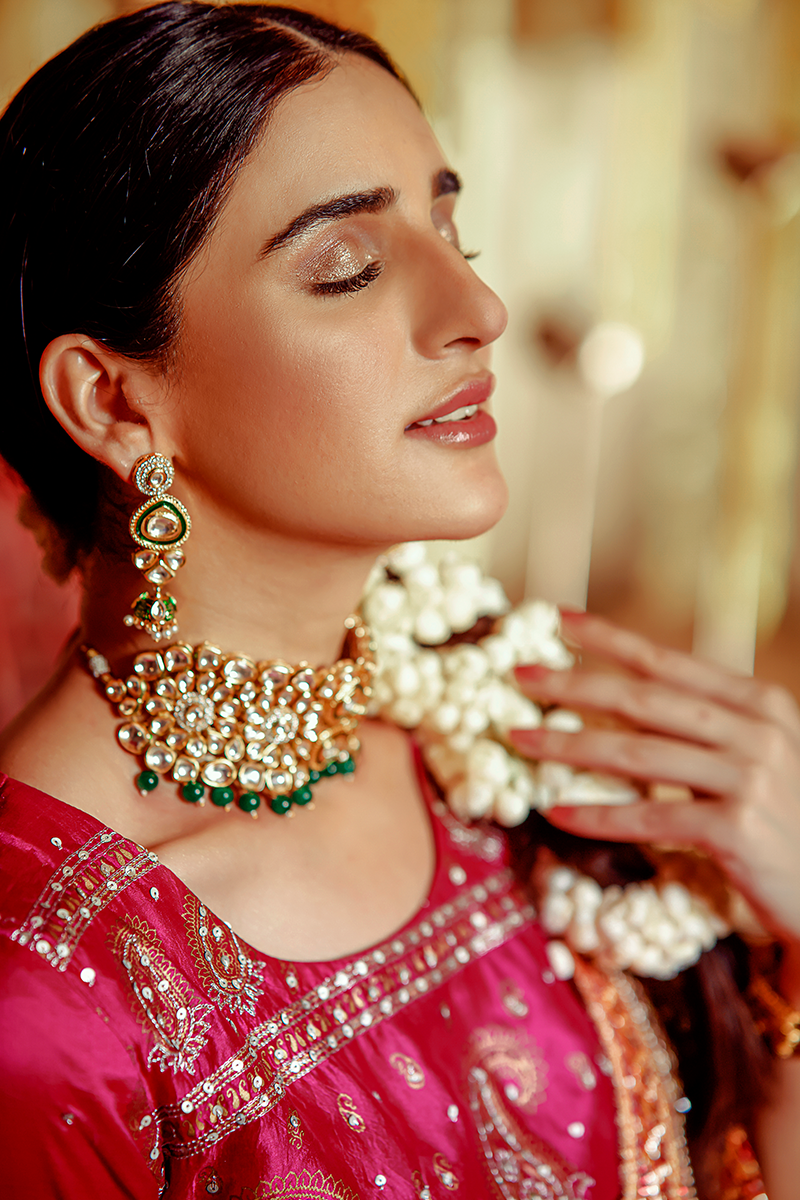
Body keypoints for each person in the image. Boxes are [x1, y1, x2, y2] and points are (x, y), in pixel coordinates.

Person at [0, 3, 798, 1196]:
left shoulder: (509, 722)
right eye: (347, 268)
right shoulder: (45, 999)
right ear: (114, 403)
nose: (478, 312)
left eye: (450, 230)